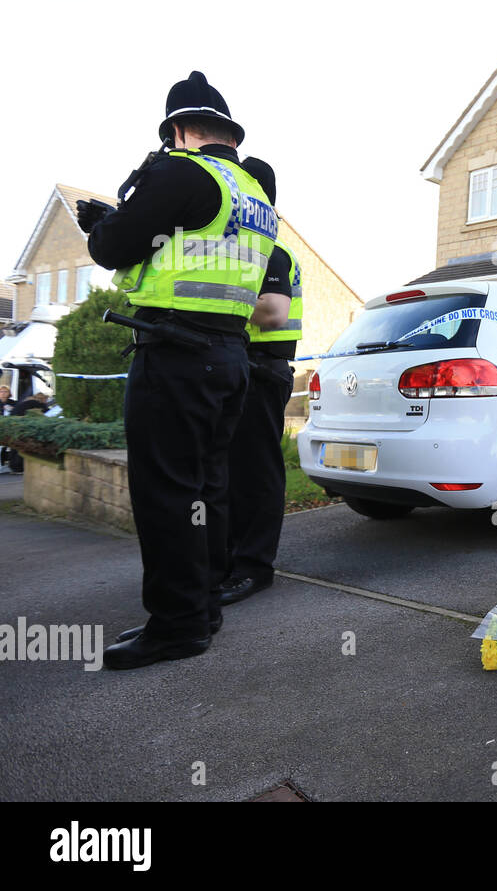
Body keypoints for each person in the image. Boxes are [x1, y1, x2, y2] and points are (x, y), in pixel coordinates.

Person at [77, 71, 280, 670]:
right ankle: (204, 606)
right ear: (226, 133)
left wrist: (101, 224)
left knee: (167, 495)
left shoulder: (180, 171)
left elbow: (114, 248)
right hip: (229, 357)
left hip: (176, 355)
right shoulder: (255, 194)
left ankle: (177, 626)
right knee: (207, 491)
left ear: (179, 130)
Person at [217, 157, 300, 606]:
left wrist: (211, 306)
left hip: (262, 369)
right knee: (232, 472)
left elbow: (272, 313)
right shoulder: (244, 250)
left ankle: (254, 568)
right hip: (242, 367)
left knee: (256, 473)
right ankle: (233, 559)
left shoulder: (270, 252)